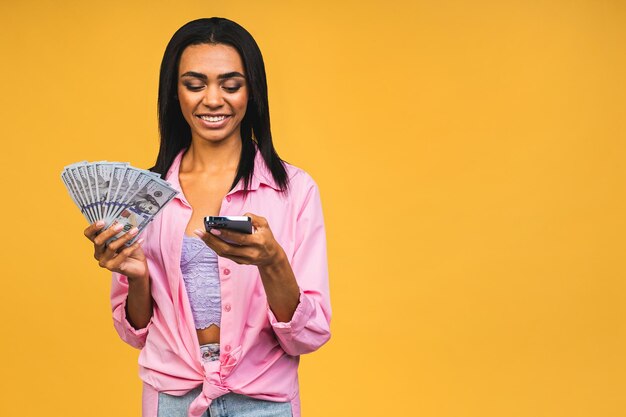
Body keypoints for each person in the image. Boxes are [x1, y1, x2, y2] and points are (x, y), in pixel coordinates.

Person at [83, 17, 331, 417]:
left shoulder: (294, 190)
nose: (212, 100)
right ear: (174, 92)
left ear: (252, 92)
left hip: (263, 401)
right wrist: (138, 276)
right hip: (171, 398)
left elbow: (309, 334)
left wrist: (272, 263)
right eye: (195, 85)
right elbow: (134, 331)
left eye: (231, 85)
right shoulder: (145, 195)